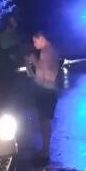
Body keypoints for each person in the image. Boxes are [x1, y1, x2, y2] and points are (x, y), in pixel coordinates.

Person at [27, 29, 60, 164]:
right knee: (43, 120)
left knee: (45, 121)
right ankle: (44, 148)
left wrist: (34, 61)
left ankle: (45, 149)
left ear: (42, 38)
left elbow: (49, 74)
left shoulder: (48, 52)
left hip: (47, 91)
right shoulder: (46, 52)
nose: (34, 45)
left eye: (35, 41)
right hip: (44, 90)